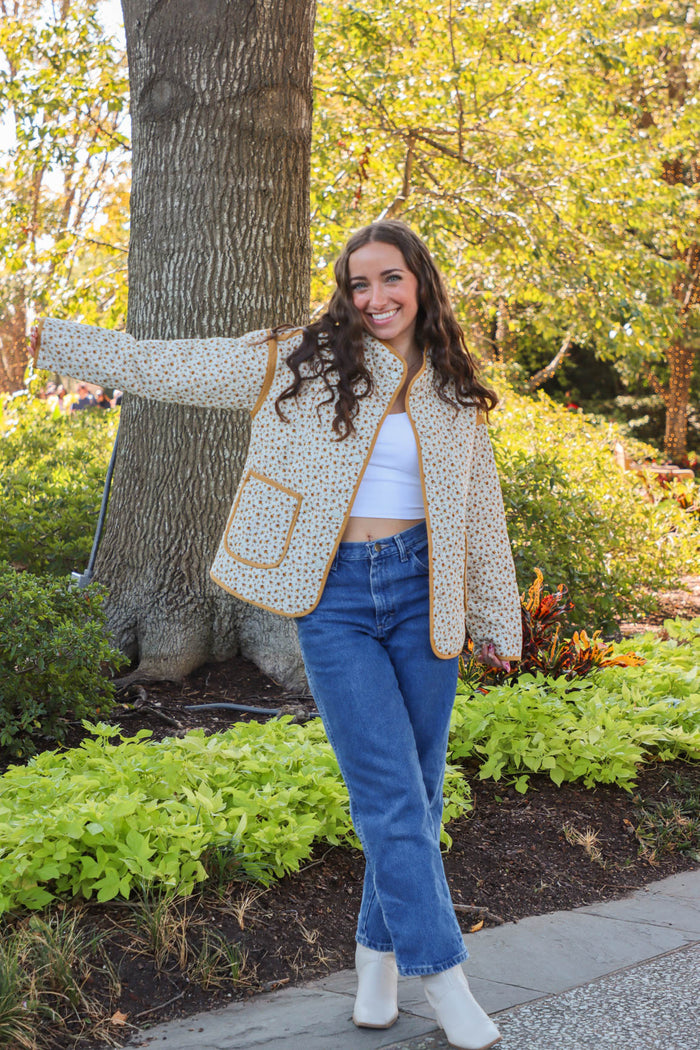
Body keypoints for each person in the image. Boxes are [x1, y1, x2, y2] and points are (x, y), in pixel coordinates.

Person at [31, 219, 521, 1050]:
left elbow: (480, 512)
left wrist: (495, 618)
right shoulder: (299, 358)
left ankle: (375, 961)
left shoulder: (453, 388)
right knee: (390, 795)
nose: (375, 299)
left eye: (390, 280)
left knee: (420, 793)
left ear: (420, 281)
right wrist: (49, 336)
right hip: (329, 597)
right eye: (358, 284)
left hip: (423, 594)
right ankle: (444, 980)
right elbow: (164, 367)